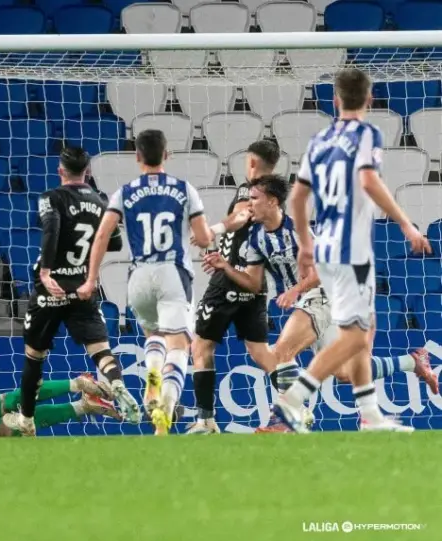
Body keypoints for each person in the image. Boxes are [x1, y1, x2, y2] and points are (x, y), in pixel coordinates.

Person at [204, 174, 437, 432]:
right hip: (310, 300)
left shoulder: (297, 231)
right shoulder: (255, 240)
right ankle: (413, 360)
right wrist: (225, 267)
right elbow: (253, 283)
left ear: (272, 201)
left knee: (281, 352)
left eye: (255, 199)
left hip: (325, 293)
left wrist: (294, 291)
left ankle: (287, 418)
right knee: (345, 373)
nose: (250, 205)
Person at [275, 67, 432, 433]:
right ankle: (293, 398)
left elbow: (297, 197)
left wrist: (303, 245)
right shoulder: (366, 132)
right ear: (370, 99)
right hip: (352, 250)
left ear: (335, 100)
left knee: (364, 330)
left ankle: (372, 416)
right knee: (358, 336)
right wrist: (405, 223)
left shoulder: (320, 140)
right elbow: (367, 179)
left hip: (325, 247)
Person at [76, 129, 214, 435]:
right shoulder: (183, 189)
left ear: (137, 157)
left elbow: (102, 234)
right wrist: (202, 236)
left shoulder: (124, 192)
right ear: (167, 155)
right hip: (172, 273)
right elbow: (203, 237)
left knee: (152, 334)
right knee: (178, 345)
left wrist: (91, 278)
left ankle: (152, 376)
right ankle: (166, 401)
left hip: (138, 276)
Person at [13, 146, 141, 435]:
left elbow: (51, 229)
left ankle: (27, 420)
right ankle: (116, 382)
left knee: (35, 354)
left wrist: (46, 271)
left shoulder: (52, 198)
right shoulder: (101, 202)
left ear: (60, 170)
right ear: (88, 172)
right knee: (100, 349)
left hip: (52, 289)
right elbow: (116, 243)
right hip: (83, 287)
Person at [187, 140, 284, 435]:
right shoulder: (274, 196)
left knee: (202, 346)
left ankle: (206, 420)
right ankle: (295, 407)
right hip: (254, 283)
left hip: (227, 282)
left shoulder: (249, 190)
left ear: (252, 162)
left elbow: (241, 214)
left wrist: (212, 231)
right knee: (260, 352)